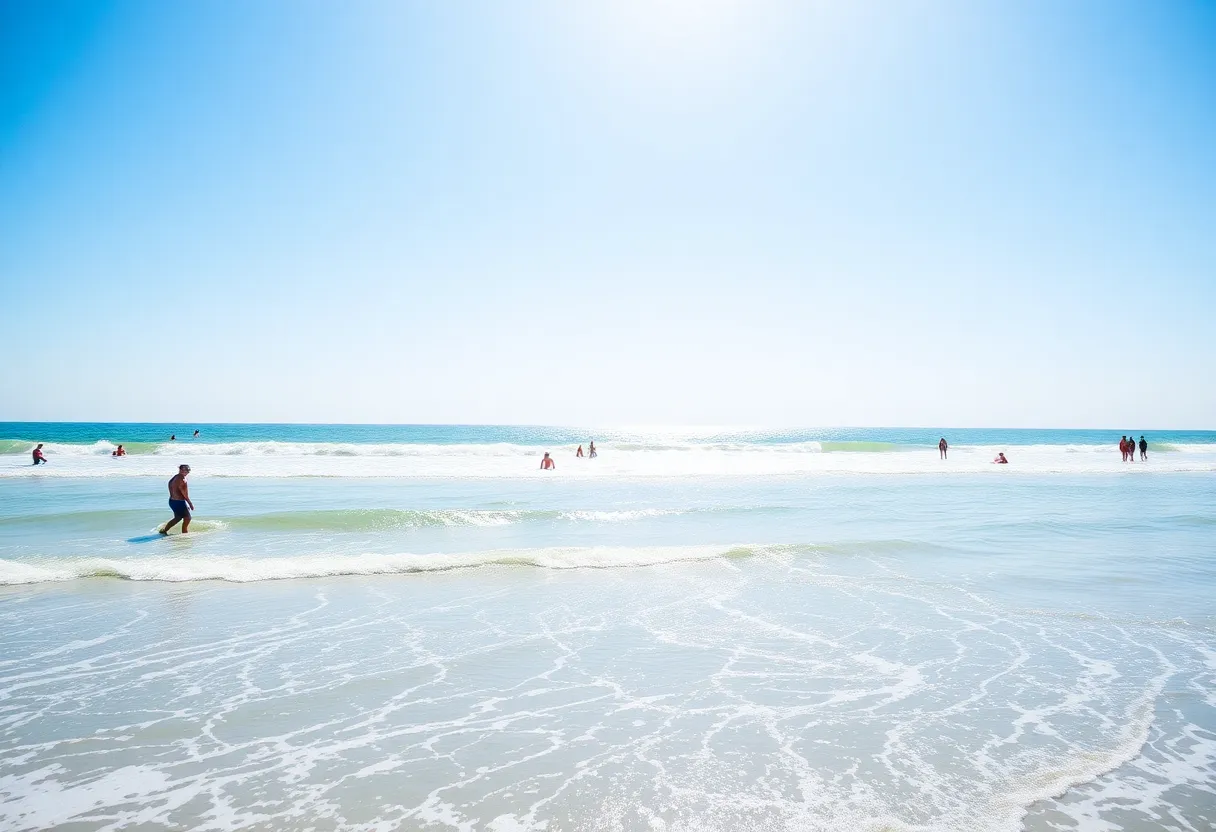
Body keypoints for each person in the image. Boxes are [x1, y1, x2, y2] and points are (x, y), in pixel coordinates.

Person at [161, 465, 195, 534]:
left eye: (187, 470)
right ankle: (185, 535)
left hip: (172, 501)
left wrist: (185, 504)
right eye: (185, 470)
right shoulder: (182, 479)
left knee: (178, 518)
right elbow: (184, 494)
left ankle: (164, 531)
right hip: (179, 502)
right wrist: (190, 503)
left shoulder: (175, 477)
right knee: (187, 518)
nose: (187, 471)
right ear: (180, 470)